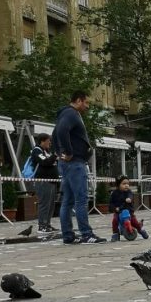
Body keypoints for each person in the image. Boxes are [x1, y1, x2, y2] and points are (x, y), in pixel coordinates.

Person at [52, 90, 106, 244]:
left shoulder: (64, 114)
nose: (87, 106)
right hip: (75, 163)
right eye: (86, 102)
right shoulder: (71, 114)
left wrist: (58, 152)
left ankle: (68, 235)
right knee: (81, 199)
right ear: (78, 100)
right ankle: (86, 234)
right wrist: (68, 152)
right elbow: (61, 131)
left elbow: (55, 133)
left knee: (68, 200)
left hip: (69, 163)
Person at [30, 133, 59, 234]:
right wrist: (55, 155)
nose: (50, 143)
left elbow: (52, 162)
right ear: (42, 141)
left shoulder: (47, 151)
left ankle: (48, 224)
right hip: (43, 181)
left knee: (51, 204)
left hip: (51, 181)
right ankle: (42, 226)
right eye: (48, 140)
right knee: (44, 204)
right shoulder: (37, 151)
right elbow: (45, 162)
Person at [109, 175, 148, 241]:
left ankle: (140, 229)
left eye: (127, 184)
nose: (126, 185)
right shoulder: (114, 193)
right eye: (124, 184)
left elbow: (130, 196)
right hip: (119, 212)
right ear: (118, 185)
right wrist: (114, 208)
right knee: (115, 221)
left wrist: (129, 199)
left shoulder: (128, 192)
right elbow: (111, 203)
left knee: (134, 222)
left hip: (128, 211)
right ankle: (115, 234)